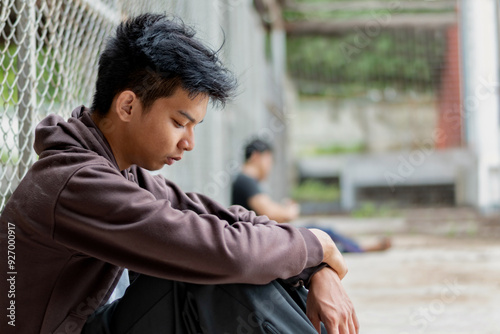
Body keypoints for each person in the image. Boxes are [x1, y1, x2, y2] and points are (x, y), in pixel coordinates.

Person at [0, 14, 359, 334]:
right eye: (179, 122)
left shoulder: (122, 175)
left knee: (238, 259)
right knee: (217, 271)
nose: (188, 143)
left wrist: (316, 266)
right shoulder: (73, 183)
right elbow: (225, 251)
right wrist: (316, 245)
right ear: (127, 105)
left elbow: (228, 220)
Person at [232, 139, 391, 253]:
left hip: (264, 237)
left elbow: (267, 210)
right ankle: (361, 247)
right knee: (322, 234)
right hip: (264, 241)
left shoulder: (246, 181)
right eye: (268, 160)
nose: (269, 167)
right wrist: (291, 211)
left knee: (320, 235)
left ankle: (359, 247)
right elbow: (272, 213)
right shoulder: (246, 181)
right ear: (255, 157)